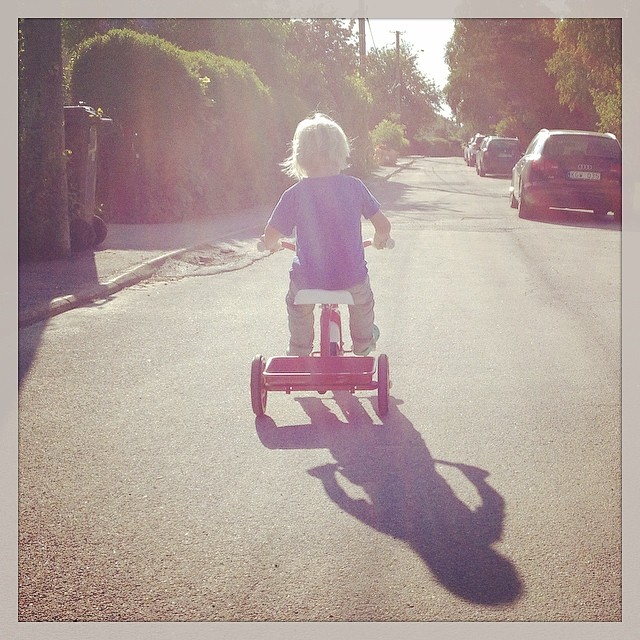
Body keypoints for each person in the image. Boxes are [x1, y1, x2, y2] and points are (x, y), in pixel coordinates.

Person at [261, 112, 392, 357]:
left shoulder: (294, 194)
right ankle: (363, 342)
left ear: (300, 156)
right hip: (350, 277)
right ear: (340, 151)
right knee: (363, 302)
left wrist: (272, 244)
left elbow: (269, 236)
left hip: (307, 279)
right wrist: (379, 240)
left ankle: (299, 350)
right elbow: (383, 227)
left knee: (297, 305)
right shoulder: (355, 187)